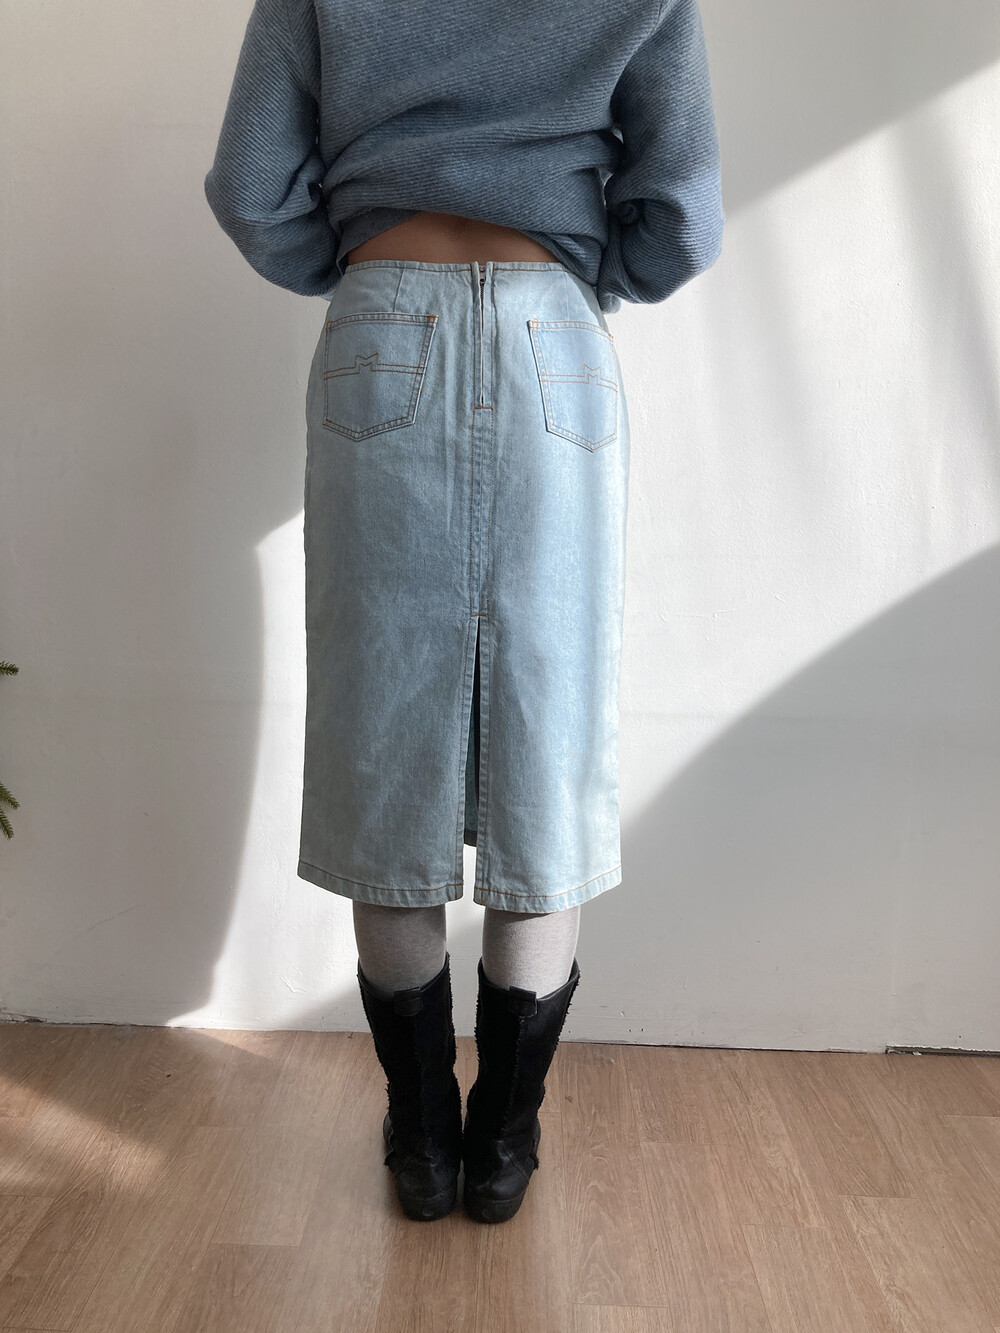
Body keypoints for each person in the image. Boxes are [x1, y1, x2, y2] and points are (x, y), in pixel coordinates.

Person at [203, 0, 724, 1224]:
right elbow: (681, 213)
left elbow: (249, 186)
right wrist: (595, 269)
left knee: (383, 737)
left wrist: (361, 262)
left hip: (384, 312)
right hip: (553, 335)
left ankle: (424, 1140)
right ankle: (503, 1143)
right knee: (549, 733)